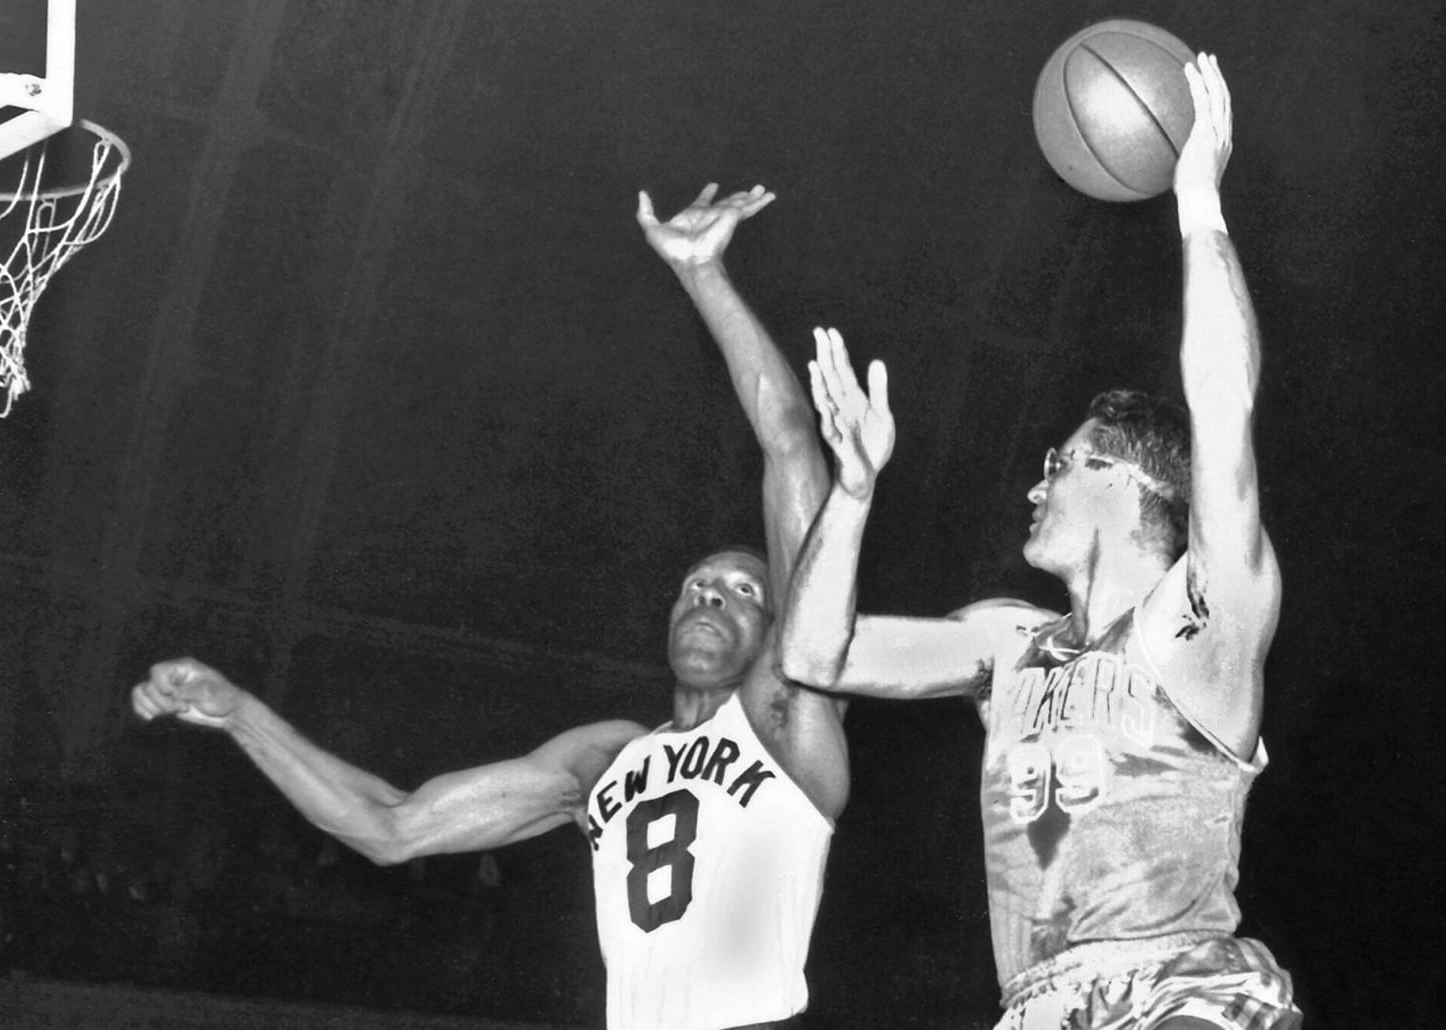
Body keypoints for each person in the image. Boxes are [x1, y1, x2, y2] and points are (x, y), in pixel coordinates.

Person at [130, 184, 848, 1030]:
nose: (708, 597)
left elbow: (792, 448)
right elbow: (390, 826)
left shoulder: (784, 709)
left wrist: (703, 276)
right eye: (696, 585)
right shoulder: (603, 760)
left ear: (780, 628)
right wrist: (238, 712)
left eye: (741, 591)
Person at [778, 55, 1301, 1029]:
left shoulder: (1206, 619)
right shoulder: (1006, 644)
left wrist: (1198, 206)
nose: (1034, 481)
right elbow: (815, 654)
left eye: (1060, 463)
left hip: (1182, 989)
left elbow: (1223, 410)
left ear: (1131, 478)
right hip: (1039, 1008)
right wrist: (851, 493)